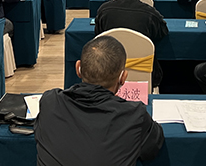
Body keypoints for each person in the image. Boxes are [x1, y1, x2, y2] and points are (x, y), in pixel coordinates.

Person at [35, 36, 164, 165]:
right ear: (123, 77)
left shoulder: (50, 102)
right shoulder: (134, 114)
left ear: (78, 68)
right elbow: (152, 146)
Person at [95, 0, 168, 87]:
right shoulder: (150, 13)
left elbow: (99, 36)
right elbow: (163, 32)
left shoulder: (104, 10)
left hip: (108, 70)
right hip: (145, 72)